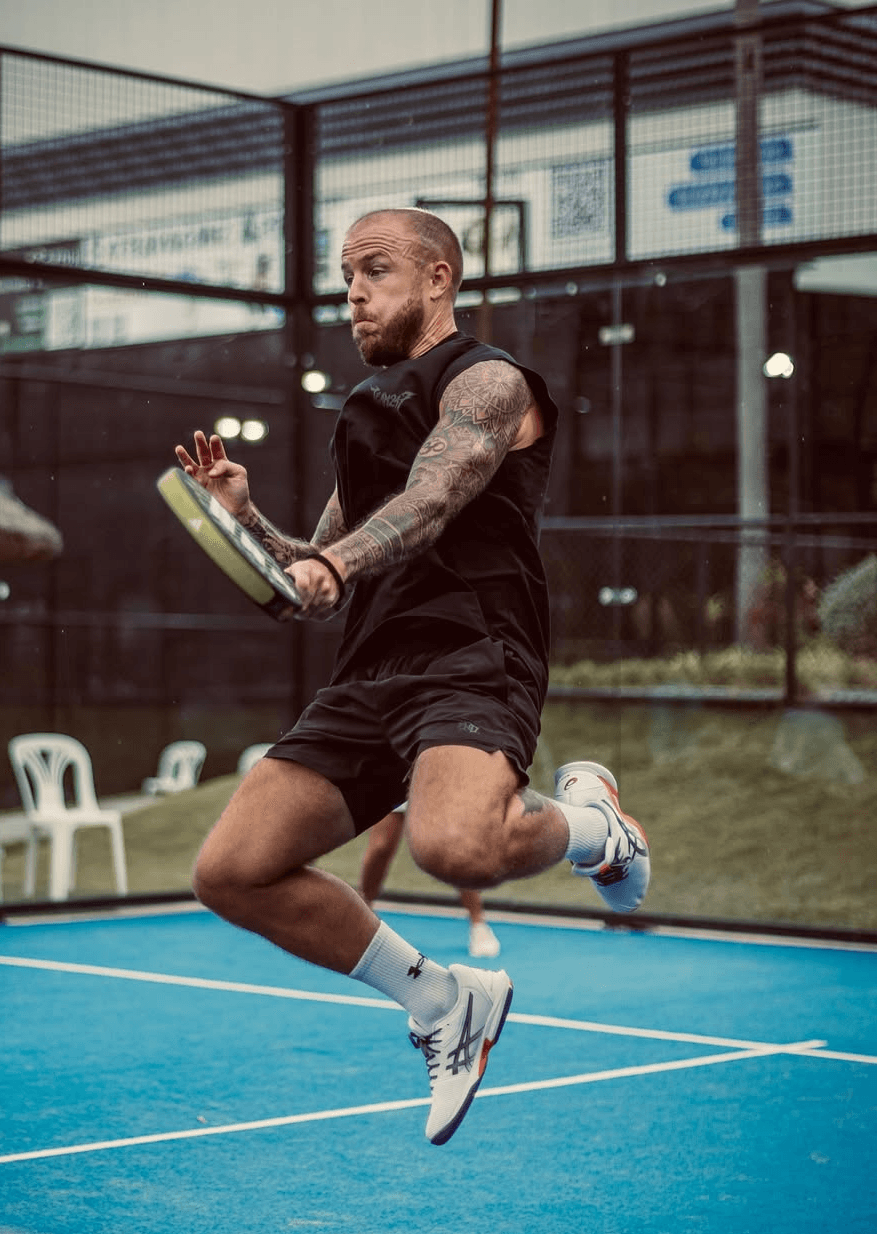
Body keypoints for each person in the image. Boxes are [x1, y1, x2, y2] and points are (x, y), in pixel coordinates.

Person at [175, 206, 649, 1146]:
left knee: (456, 849)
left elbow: (437, 495)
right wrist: (247, 519)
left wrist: (337, 565)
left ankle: (597, 827)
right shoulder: (367, 414)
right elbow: (320, 562)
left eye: (375, 270)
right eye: (345, 274)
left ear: (438, 278)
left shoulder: (489, 383)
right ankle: (440, 999)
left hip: (474, 653)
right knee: (231, 870)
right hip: (371, 670)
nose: (352, 291)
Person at [360, 803, 501, 959]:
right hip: (396, 780)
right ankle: (363, 915)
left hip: (433, 782)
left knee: (453, 848)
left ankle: (478, 924)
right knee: (381, 846)